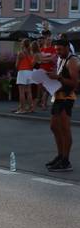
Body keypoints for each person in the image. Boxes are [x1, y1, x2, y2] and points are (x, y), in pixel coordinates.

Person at [46, 39, 79, 172]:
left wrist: (57, 78)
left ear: (67, 48)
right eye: (56, 50)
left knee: (65, 129)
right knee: (54, 127)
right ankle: (60, 156)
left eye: (60, 49)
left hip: (67, 98)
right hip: (58, 96)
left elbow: (74, 83)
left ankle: (66, 160)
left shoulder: (72, 61)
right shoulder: (62, 59)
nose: (57, 52)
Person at [39, 30, 57, 110]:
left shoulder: (53, 49)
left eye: (50, 40)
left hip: (50, 70)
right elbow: (39, 59)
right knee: (44, 88)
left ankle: (43, 103)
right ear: (45, 41)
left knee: (47, 88)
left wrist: (45, 59)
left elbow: (53, 58)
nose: (49, 41)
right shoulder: (42, 49)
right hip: (42, 70)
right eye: (47, 40)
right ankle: (44, 103)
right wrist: (47, 59)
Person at [15, 39, 34, 114]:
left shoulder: (21, 53)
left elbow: (16, 65)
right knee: (29, 91)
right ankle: (30, 107)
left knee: (21, 92)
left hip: (22, 71)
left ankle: (22, 109)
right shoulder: (31, 53)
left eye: (21, 43)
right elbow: (32, 65)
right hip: (29, 72)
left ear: (23, 45)